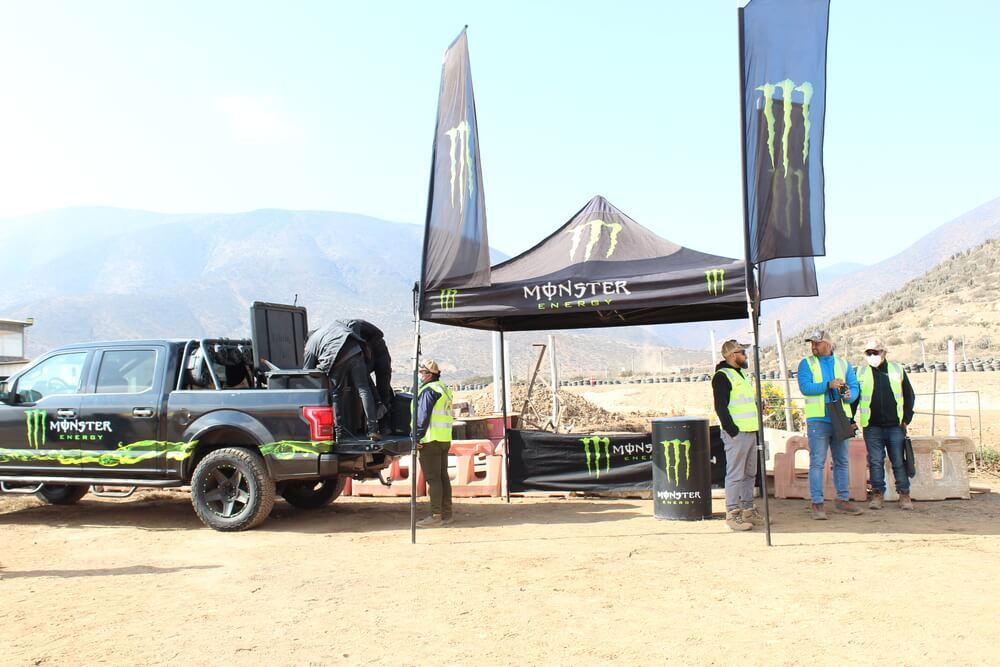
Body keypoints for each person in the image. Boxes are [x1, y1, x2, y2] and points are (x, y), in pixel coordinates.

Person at [797, 330, 863, 520]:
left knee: (841, 460)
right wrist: (828, 385)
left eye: (817, 343)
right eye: (812, 343)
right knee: (817, 462)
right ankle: (817, 503)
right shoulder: (806, 363)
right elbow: (805, 387)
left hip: (840, 417)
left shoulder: (844, 364)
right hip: (818, 418)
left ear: (828, 344)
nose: (813, 346)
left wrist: (850, 395)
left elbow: (854, 387)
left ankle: (842, 499)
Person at [852, 339, 916, 510]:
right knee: (875, 461)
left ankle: (904, 495)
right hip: (871, 426)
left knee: (898, 461)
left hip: (895, 426)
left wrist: (906, 419)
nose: (872, 356)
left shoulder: (897, 370)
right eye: (869, 353)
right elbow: (854, 399)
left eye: (875, 352)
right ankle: (877, 494)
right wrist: (850, 420)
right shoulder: (860, 373)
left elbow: (909, 395)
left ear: (884, 353)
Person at [711, 339, 762, 532]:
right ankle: (732, 514)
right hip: (737, 433)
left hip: (750, 430)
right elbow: (720, 407)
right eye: (742, 352)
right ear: (732, 355)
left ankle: (748, 510)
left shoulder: (740, 374)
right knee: (735, 474)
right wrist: (731, 430)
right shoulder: (722, 376)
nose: (745, 355)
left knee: (750, 473)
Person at [303, 322, 380, 441]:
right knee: (364, 389)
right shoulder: (331, 327)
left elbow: (307, 371)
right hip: (356, 350)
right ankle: (373, 430)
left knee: (336, 394)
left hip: (336, 357)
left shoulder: (311, 343)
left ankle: (340, 433)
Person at [414, 359, 453, 528]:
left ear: (429, 374)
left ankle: (436, 515)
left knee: (433, 479)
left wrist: (416, 437)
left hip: (429, 439)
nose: (420, 375)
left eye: (422, 372)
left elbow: (423, 416)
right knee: (443, 477)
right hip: (443, 438)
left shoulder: (429, 390)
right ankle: (446, 514)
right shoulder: (443, 388)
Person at [340, 319, 393, 428]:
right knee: (364, 380)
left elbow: (379, 334)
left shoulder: (357, 325)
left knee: (384, 387)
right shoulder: (343, 334)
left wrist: (367, 346)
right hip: (365, 355)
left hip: (380, 353)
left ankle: (385, 424)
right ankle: (374, 415)